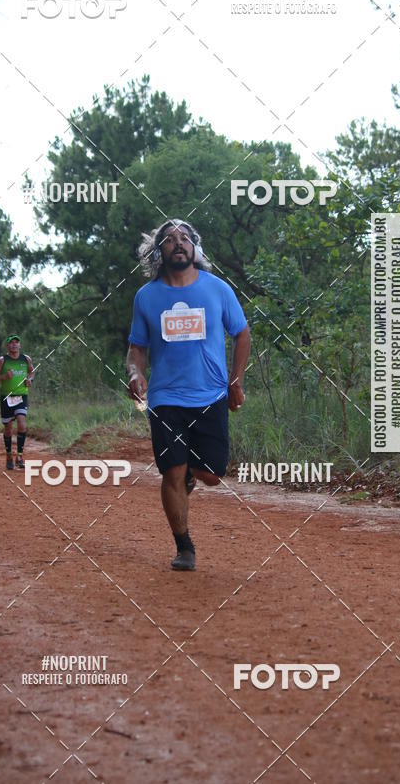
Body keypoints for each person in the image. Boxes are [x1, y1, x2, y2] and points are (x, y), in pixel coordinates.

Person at [127, 219, 250, 571]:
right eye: (168, 239)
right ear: (158, 253)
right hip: (165, 399)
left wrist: (235, 382)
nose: (177, 243)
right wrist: (135, 373)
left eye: (185, 238)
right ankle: (184, 547)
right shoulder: (146, 297)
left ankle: (193, 476)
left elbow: (242, 334)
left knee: (211, 475)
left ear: (195, 248)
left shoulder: (217, 289)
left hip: (210, 396)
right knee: (172, 471)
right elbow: (137, 348)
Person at [0, 335, 34, 471]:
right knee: (8, 428)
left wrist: (30, 380)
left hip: (21, 396)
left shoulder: (26, 359)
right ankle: (9, 455)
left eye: (16, 343)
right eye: (11, 343)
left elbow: (32, 372)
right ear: (7, 346)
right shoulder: (2, 361)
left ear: (20, 346)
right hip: (6, 397)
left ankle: (19, 456)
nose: (14, 345)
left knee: (21, 423)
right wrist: (3, 377)